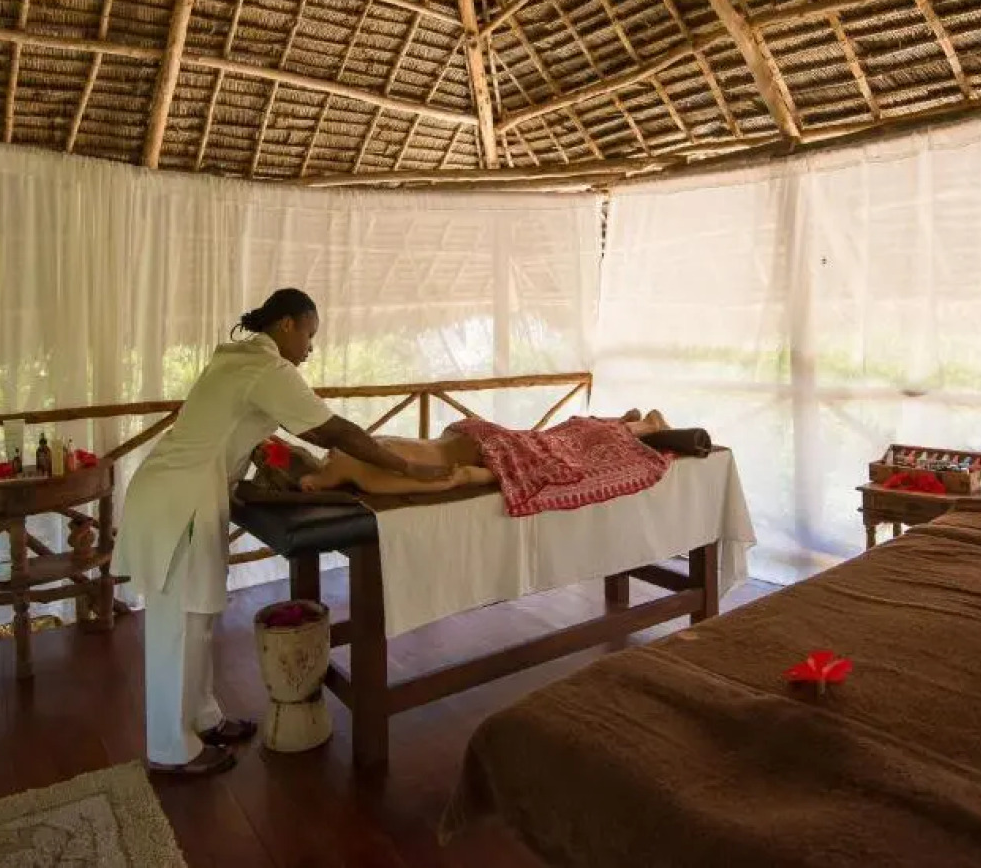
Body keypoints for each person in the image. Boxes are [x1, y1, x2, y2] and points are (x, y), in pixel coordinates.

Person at [114, 288, 451, 778]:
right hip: (178, 498)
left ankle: (204, 719)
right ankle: (172, 749)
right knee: (177, 624)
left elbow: (265, 431)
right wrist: (404, 466)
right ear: (287, 325)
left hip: (189, 493)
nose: (311, 347)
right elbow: (331, 430)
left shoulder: (239, 359)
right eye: (309, 334)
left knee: (198, 615)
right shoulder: (266, 368)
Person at [297, 408, 671, 496]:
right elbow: (446, 477)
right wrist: (471, 474)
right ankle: (629, 423)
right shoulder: (356, 455)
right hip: (471, 436)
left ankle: (643, 426)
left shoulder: (355, 465)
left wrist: (479, 476)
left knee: (563, 448)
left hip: (482, 446)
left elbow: (445, 479)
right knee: (556, 439)